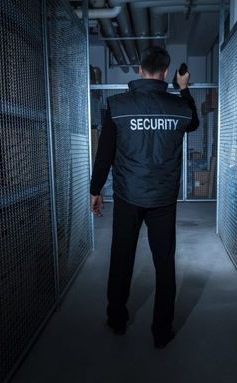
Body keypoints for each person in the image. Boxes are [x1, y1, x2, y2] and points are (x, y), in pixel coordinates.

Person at [89, 46, 199, 349]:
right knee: (164, 264)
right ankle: (161, 332)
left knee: (121, 258)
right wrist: (184, 89)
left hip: (128, 196)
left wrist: (95, 190)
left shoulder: (117, 105)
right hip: (163, 199)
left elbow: (105, 154)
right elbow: (195, 123)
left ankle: (117, 320)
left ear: (139, 70)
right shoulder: (179, 107)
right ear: (165, 72)